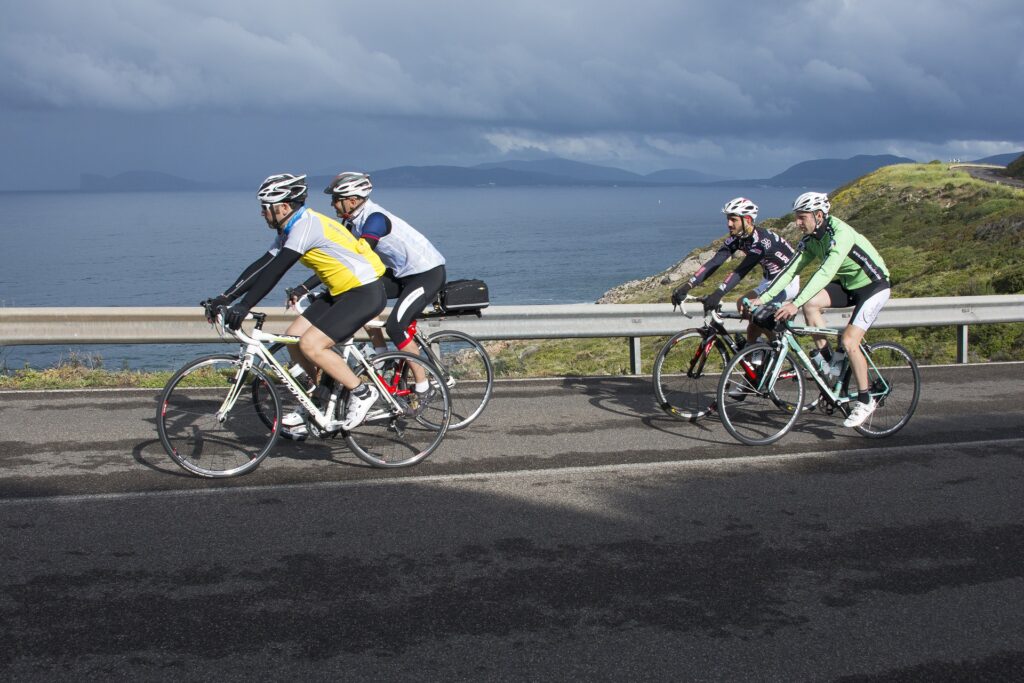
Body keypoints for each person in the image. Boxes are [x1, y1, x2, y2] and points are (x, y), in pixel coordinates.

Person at [204, 173, 387, 432]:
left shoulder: (306, 226)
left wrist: (245, 306)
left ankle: (362, 392)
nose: (262, 213)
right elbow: (263, 265)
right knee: (293, 338)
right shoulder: (290, 228)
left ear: (283, 207)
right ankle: (316, 403)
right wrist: (227, 296)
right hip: (339, 292)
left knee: (311, 344)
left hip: (363, 291)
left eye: (265, 207)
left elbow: (276, 270)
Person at [288, 171, 446, 403]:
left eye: (336, 199)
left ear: (353, 201)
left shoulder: (375, 219)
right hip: (400, 276)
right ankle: (381, 355)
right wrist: (305, 287)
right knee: (359, 293)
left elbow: (356, 257)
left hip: (426, 275)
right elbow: (343, 264)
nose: (332, 204)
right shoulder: (352, 223)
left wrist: (309, 286)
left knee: (396, 326)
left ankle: (424, 385)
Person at [750, 191, 891, 429]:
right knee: (811, 304)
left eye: (802, 217)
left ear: (818, 215)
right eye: (796, 217)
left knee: (849, 341)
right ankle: (830, 363)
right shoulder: (811, 239)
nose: (797, 223)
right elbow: (790, 270)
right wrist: (762, 298)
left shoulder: (841, 234)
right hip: (848, 285)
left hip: (874, 286)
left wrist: (794, 303)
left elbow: (825, 273)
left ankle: (866, 400)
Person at [670, 197, 800, 345]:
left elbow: (741, 270)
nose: (729, 224)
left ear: (747, 220)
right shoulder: (738, 238)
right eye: (728, 219)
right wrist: (687, 286)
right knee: (747, 313)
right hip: (770, 279)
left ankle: (776, 345)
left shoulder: (762, 241)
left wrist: (718, 293)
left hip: (787, 282)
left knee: (750, 308)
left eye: (733, 220)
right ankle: (757, 351)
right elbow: (715, 262)